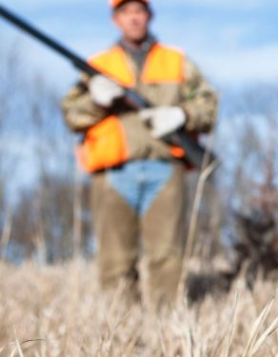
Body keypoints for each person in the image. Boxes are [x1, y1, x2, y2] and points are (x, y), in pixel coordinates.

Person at [62, 0, 217, 307]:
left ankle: (166, 334)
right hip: (113, 173)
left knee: (167, 258)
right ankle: (122, 338)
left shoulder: (176, 60)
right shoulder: (97, 66)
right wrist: (96, 100)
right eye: (126, 12)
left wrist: (181, 115)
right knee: (115, 261)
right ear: (115, 19)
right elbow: (70, 115)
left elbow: (209, 106)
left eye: (139, 11)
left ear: (149, 15)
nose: (134, 18)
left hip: (165, 168)